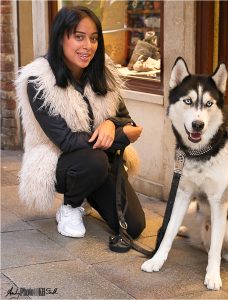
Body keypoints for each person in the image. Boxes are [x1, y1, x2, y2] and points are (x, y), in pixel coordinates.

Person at [15, 6, 145, 248]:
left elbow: (125, 119)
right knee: (94, 160)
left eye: (94, 38)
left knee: (134, 226)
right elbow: (65, 141)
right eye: (79, 36)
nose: (88, 45)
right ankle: (70, 206)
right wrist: (120, 137)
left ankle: (89, 191)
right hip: (59, 161)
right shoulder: (38, 80)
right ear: (60, 37)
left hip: (99, 159)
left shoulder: (103, 74)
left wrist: (110, 123)